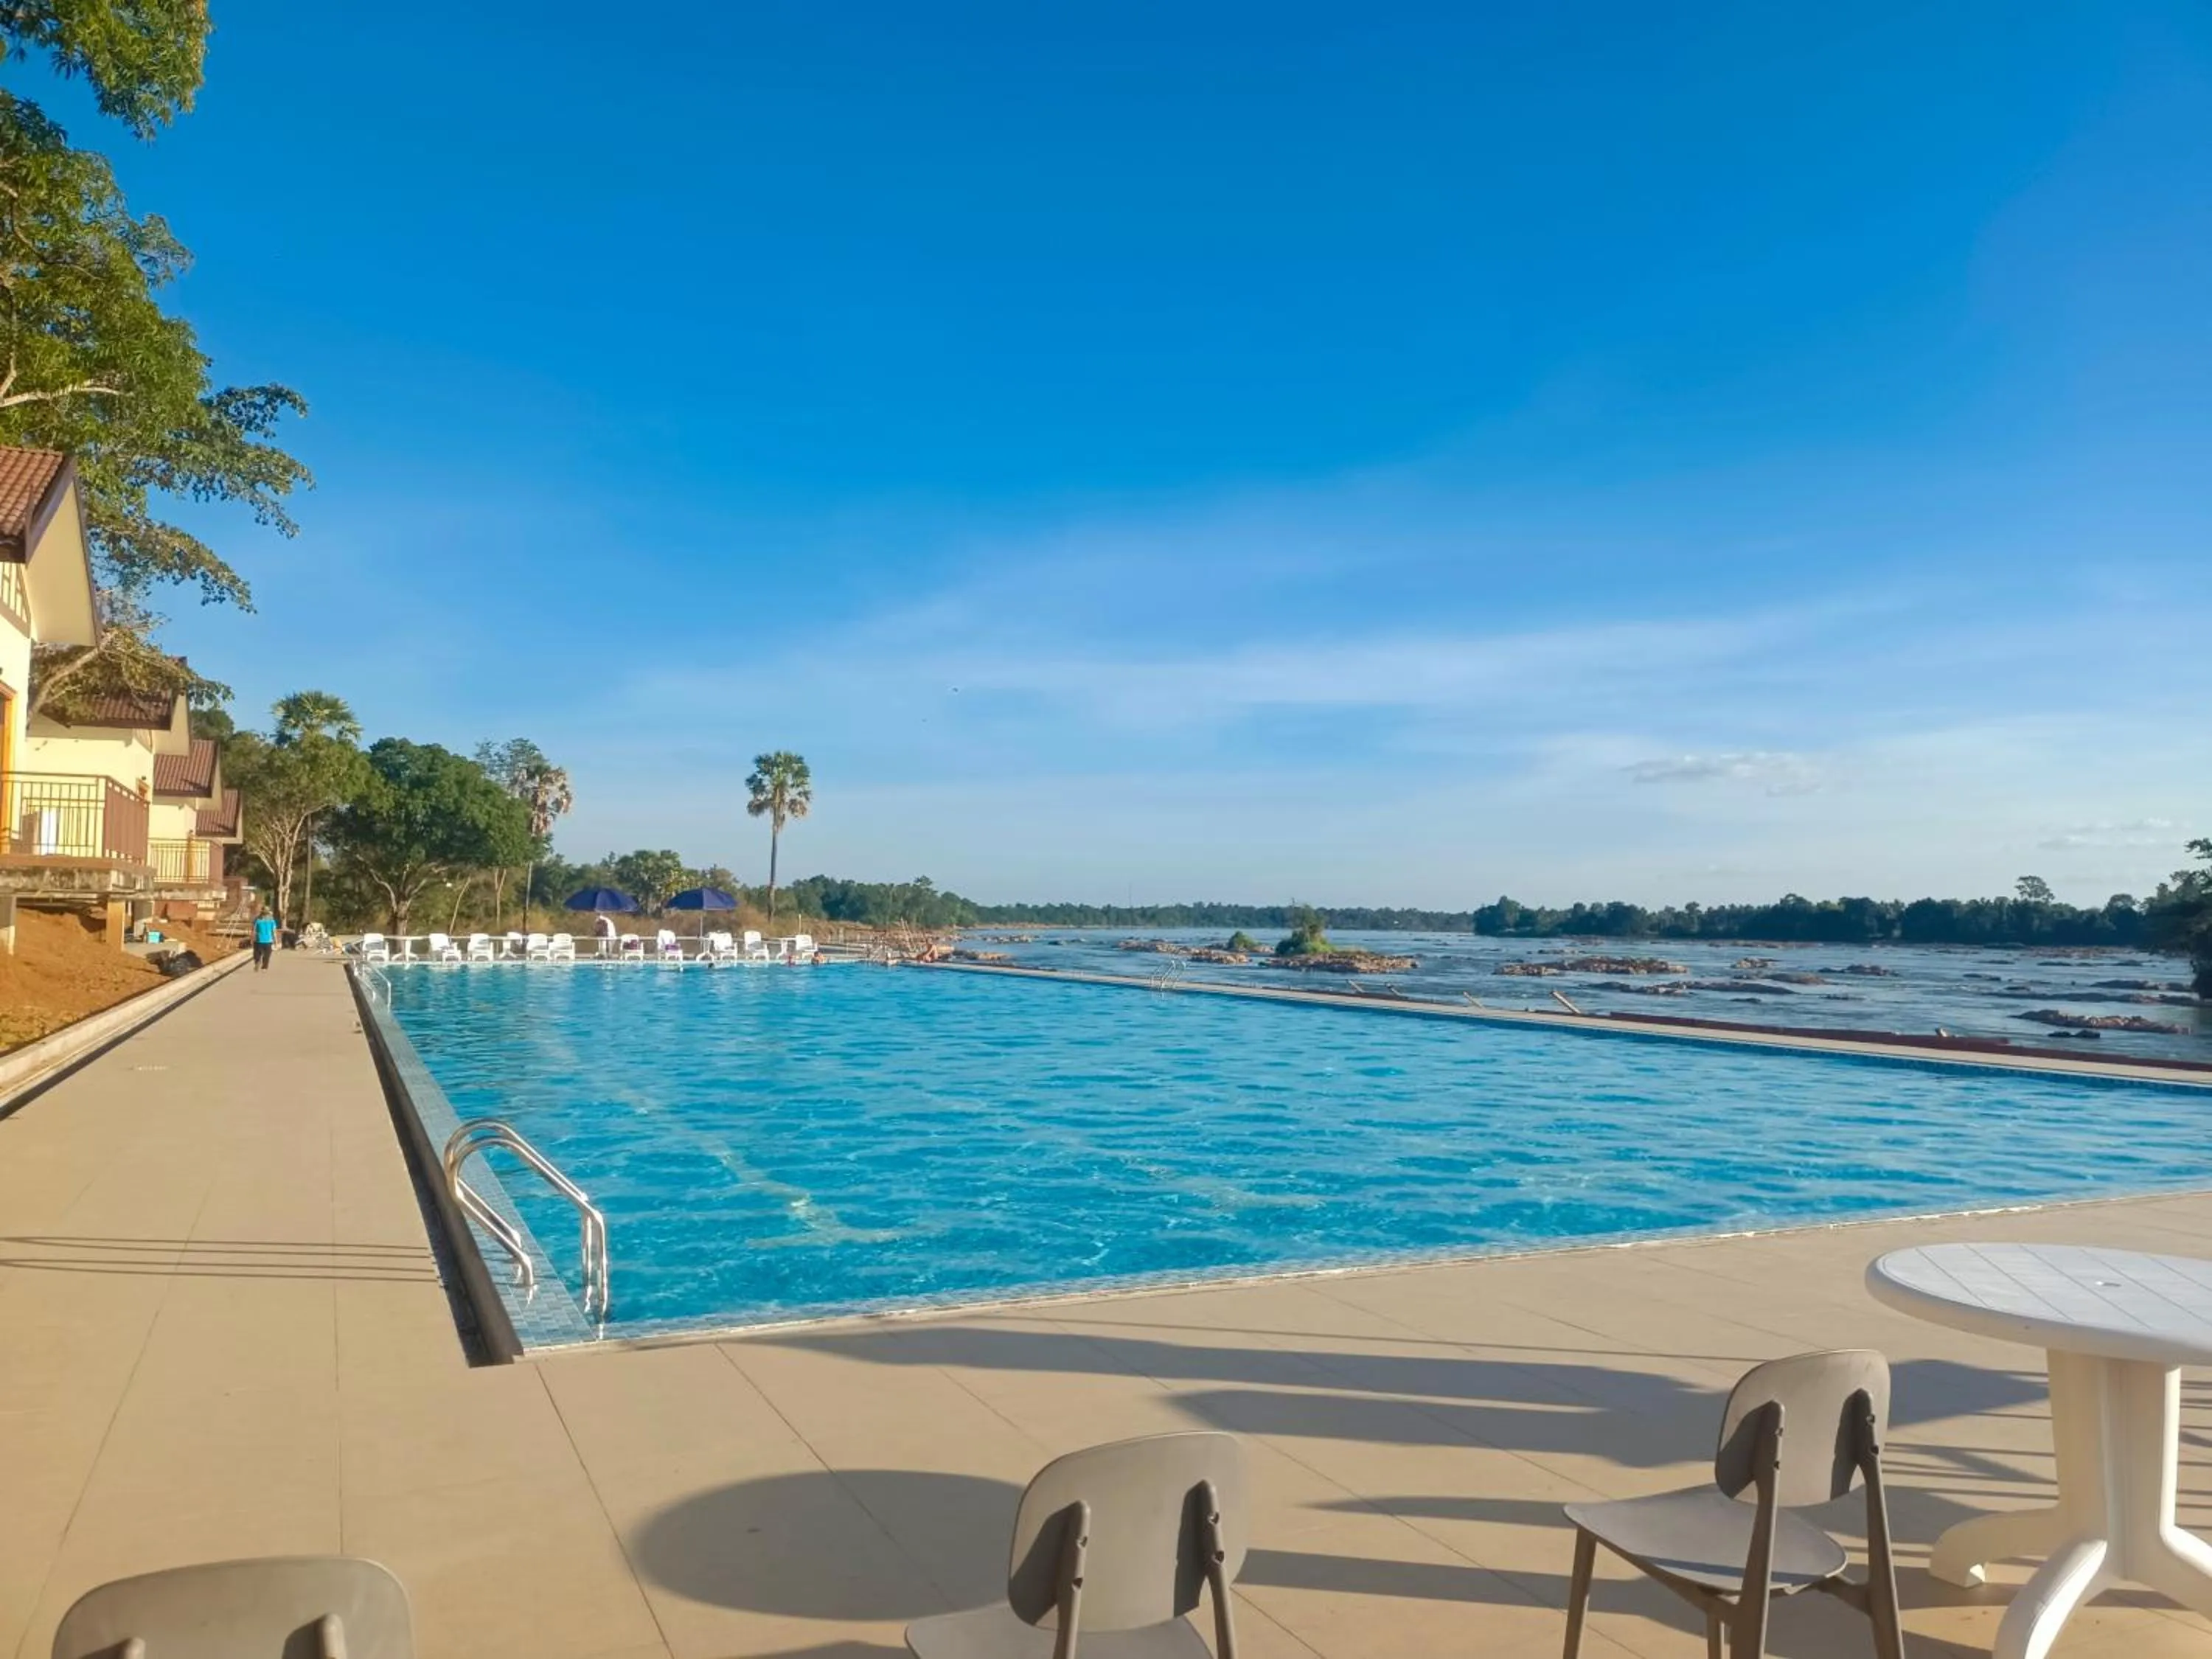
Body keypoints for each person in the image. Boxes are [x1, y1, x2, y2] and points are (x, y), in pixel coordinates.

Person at [251, 908, 277, 972]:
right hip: (269, 941)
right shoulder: (272, 921)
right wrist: (275, 941)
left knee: (257, 953)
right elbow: (274, 932)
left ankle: (257, 961)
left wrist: (252, 939)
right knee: (267, 955)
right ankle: (264, 968)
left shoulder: (258, 921)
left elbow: (254, 931)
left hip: (259, 940)